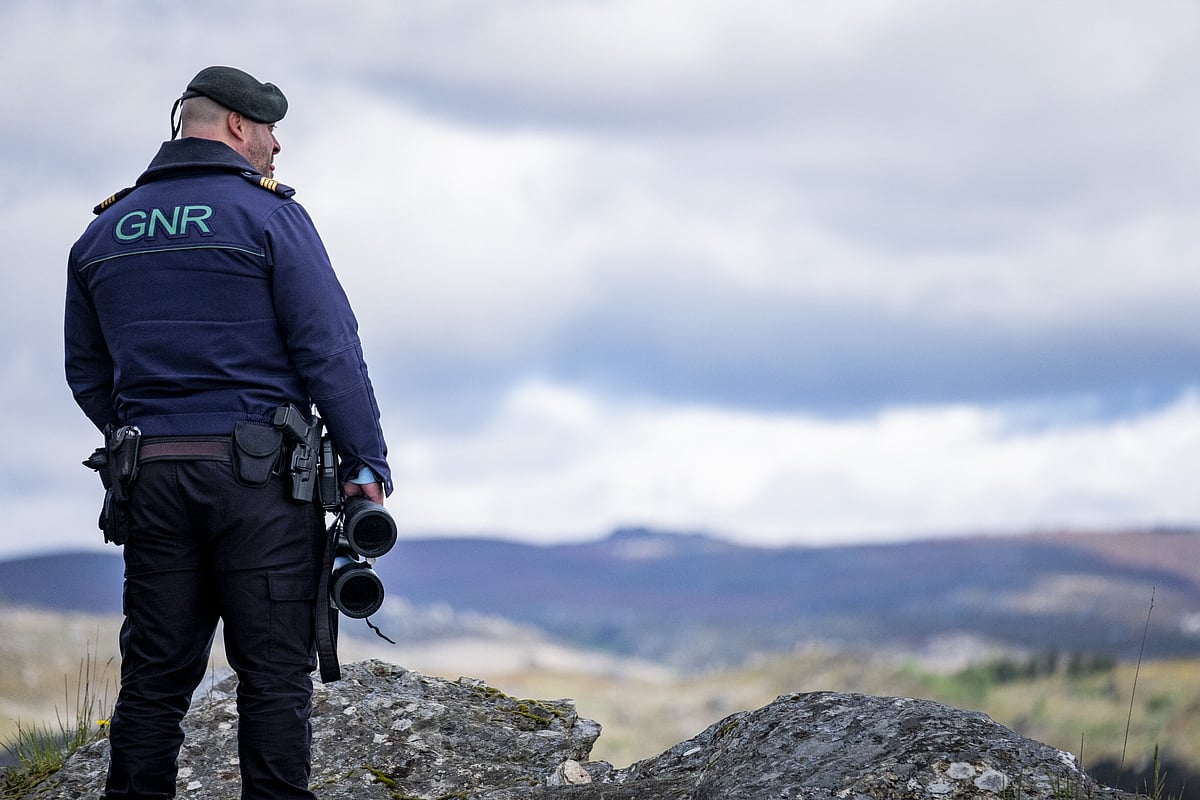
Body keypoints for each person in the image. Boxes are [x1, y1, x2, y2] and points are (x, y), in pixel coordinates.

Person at [64, 66, 392, 800]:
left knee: (153, 682)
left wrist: (140, 437)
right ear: (239, 128)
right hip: (261, 487)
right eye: (272, 131)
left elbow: (87, 374)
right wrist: (365, 463)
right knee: (273, 677)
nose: (278, 147)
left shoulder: (103, 231)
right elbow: (330, 352)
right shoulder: (270, 217)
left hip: (151, 478)